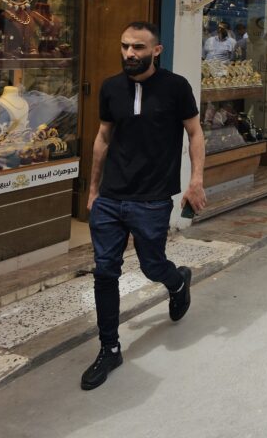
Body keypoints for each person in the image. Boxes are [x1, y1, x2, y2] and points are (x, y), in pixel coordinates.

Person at [82, 22, 206, 391]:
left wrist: (195, 180)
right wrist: (92, 190)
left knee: (153, 265)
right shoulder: (110, 87)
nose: (129, 54)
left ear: (157, 50)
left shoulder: (175, 87)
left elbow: (195, 132)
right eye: (124, 46)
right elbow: (103, 137)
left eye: (138, 47)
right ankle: (110, 347)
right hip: (110, 197)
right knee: (105, 272)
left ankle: (177, 280)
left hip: (152, 198)